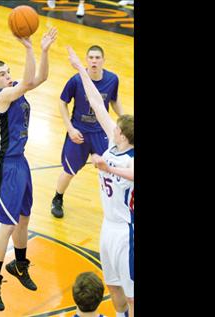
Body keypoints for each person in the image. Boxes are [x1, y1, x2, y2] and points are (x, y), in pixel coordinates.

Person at [0, 27, 58, 312]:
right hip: (5, 167)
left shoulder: (15, 91)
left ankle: (19, 264)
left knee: (24, 218)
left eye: (7, 71)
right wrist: (28, 47)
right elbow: (26, 81)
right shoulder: (1, 97)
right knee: (8, 224)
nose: (6, 75)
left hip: (21, 163)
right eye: (1, 74)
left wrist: (45, 51)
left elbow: (41, 78)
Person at [67, 46, 134, 317]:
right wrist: (81, 69)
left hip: (126, 230)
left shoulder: (130, 158)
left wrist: (109, 167)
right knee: (113, 285)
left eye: (116, 129)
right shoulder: (113, 142)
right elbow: (96, 102)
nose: (111, 127)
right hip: (107, 224)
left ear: (123, 135)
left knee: (131, 292)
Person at [51, 45, 124, 218]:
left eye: (97, 58)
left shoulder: (112, 79)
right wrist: (70, 128)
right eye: (91, 57)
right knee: (69, 171)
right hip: (79, 133)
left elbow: (114, 100)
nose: (94, 61)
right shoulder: (76, 80)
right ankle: (57, 198)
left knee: (111, 169)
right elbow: (62, 102)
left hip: (101, 133)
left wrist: (124, 120)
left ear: (103, 61)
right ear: (86, 60)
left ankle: (118, 203)